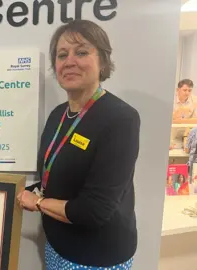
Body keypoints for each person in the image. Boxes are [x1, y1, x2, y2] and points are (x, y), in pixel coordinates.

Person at [17, 20, 139, 270]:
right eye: (62, 55)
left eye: (81, 52)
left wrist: (38, 203)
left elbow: (95, 210)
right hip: (58, 247)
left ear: (102, 61)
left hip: (98, 256)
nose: (69, 61)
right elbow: (55, 179)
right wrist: (10, 191)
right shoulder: (58, 115)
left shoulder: (120, 118)